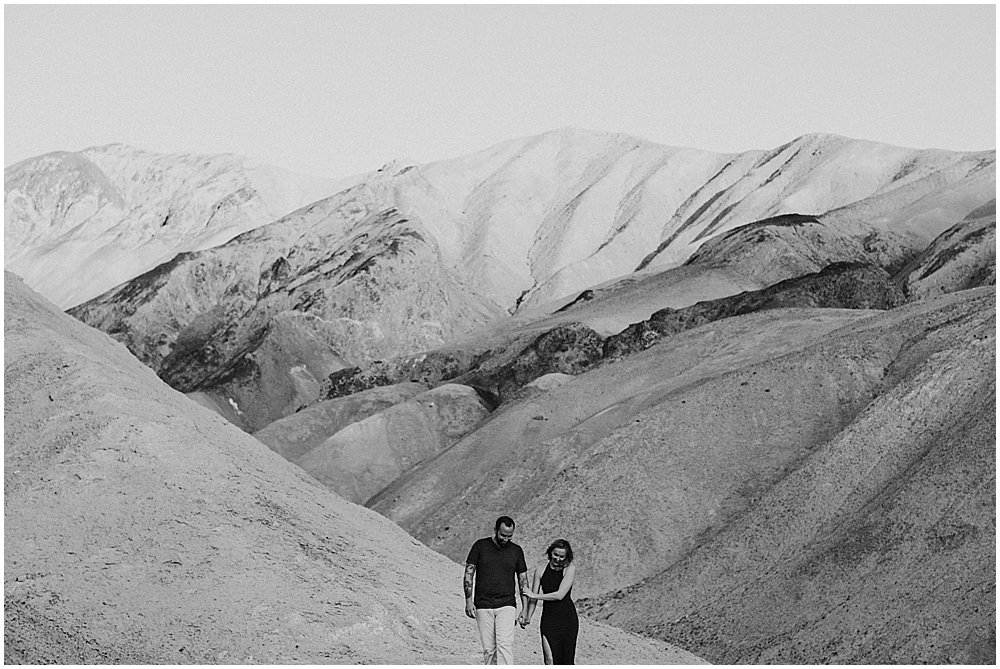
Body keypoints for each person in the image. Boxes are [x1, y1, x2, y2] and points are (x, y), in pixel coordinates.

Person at [464, 516, 529, 665]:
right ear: (495, 530)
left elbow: (523, 580)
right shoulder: (480, 546)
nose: (506, 539)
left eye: (509, 536)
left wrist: (525, 608)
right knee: (489, 650)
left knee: (505, 645)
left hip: (506, 604)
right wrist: (468, 600)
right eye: (503, 535)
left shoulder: (516, 551)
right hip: (483, 604)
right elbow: (469, 573)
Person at [519, 539, 579, 665]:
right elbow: (533, 598)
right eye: (555, 555)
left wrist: (535, 595)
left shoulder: (570, 569)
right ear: (550, 552)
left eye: (562, 556)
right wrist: (528, 616)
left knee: (566, 660)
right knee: (549, 659)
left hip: (567, 619)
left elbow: (559, 595)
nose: (558, 559)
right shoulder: (541, 570)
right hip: (548, 618)